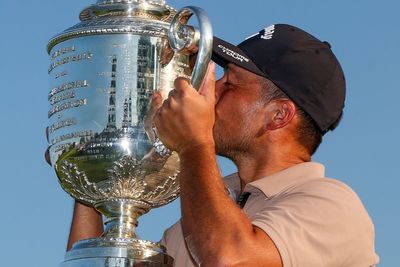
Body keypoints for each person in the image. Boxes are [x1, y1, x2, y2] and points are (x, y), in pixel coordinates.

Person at [67, 24, 379, 266]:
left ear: (279, 115)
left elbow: (228, 260)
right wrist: (95, 175)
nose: (212, 92)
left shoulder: (332, 205)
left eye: (230, 85)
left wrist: (193, 143)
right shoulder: (208, 208)